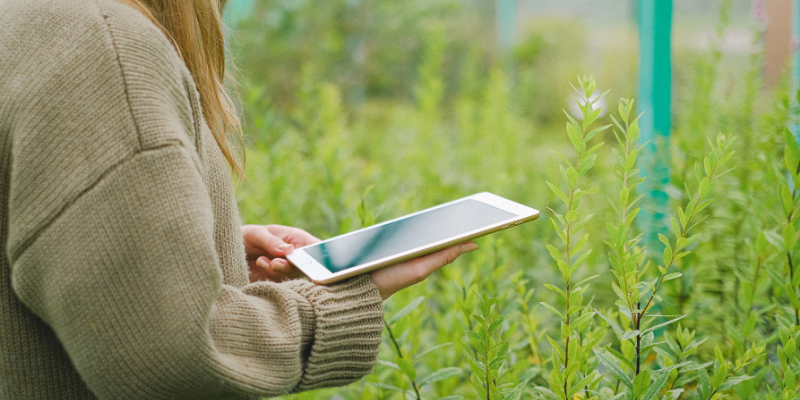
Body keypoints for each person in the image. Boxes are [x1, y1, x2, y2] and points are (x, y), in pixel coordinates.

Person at [0, 0, 479, 399]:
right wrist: (337, 300)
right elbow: (170, 354)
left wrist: (207, 250)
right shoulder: (107, 45)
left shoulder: (30, 19)